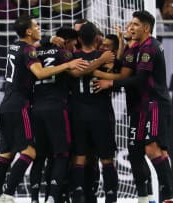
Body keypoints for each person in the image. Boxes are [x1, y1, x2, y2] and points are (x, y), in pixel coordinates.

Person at [0, 15, 88, 203]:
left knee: (6, 155)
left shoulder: (14, 46)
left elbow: (35, 47)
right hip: (20, 106)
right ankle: (8, 195)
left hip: (5, 105)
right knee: (30, 153)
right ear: (28, 31)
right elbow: (40, 73)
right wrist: (67, 64)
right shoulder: (30, 51)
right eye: (36, 25)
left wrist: (48, 39)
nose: (39, 27)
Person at [94, 10, 173, 203]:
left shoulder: (149, 48)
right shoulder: (134, 49)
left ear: (146, 28)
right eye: (129, 24)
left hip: (154, 104)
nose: (130, 27)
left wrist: (110, 84)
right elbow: (123, 69)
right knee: (135, 153)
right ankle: (143, 199)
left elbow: (138, 79)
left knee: (153, 150)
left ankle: (168, 197)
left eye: (135, 25)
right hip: (138, 108)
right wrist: (122, 44)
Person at [29, 26, 79, 203]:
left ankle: (34, 199)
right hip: (57, 108)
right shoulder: (65, 54)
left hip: (36, 108)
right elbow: (76, 74)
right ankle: (51, 198)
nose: (75, 46)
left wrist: (46, 39)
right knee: (62, 154)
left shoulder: (35, 51)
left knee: (40, 155)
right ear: (66, 41)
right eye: (74, 43)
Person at [69, 22, 118, 203]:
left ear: (79, 39)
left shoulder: (72, 57)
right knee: (106, 159)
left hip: (78, 113)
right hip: (102, 113)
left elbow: (75, 73)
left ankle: (79, 197)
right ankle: (111, 198)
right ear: (98, 39)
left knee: (79, 158)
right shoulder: (106, 56)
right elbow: (117, 73)